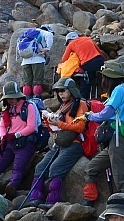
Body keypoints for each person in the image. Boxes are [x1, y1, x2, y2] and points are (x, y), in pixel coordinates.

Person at [82, 60, 124, 203]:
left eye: (103, 77)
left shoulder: (119, 90)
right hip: (117, 136)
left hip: (119, 137)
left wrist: (89, 116)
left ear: (109, 78)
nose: (102, 81)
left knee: (121, 176)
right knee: (92, 167)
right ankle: (90, 199)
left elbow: (106, 114)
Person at [21, 77, 90, 207]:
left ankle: (52, 201)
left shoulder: (81, 104)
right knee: (40, 167)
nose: (60, 94)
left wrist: (59, 123)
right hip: (60, 144)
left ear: (71, 90)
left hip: (75, 144)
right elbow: (55, 130)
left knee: (56, 168)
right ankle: (34, 198)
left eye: (63, 90)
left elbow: (80, 127)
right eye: (58, 91)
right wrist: (48, 121)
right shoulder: (63, 107)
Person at [0, 81, 43, 195]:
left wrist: (16, 135)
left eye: (14, 97)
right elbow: (2, 125)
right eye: (9, 98)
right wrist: (4, 137)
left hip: (25, 142)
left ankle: (12, 188)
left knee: (18, 167)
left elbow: (31, 127)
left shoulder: (29, 107)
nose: (11, 100)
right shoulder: (6, 109)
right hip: (9, 142)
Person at [56, 30, 104, 99]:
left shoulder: (71, 44)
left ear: (69, 41)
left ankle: (83, 101)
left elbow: (64, 59)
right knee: (100, 79)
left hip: (87, 63)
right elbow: (99, 51)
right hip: (99, 60)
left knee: (85, 84)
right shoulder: (87, 38)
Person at [16, 24, 55, 98]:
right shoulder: (43, 32)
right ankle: (37, 98)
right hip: (38, 60)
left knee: (27, 83)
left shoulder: (28, 34)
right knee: (38, 81)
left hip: (25, 61)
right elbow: (49, 35)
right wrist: (47, 48)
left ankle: (27, 99)